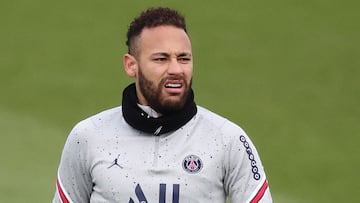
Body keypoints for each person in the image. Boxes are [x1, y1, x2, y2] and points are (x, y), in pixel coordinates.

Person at [52, 7, 272, 203]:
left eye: (184, 58)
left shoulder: (227, 139)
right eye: (161, 59)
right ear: (131, 66)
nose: (176, 69)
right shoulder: (88, 136)